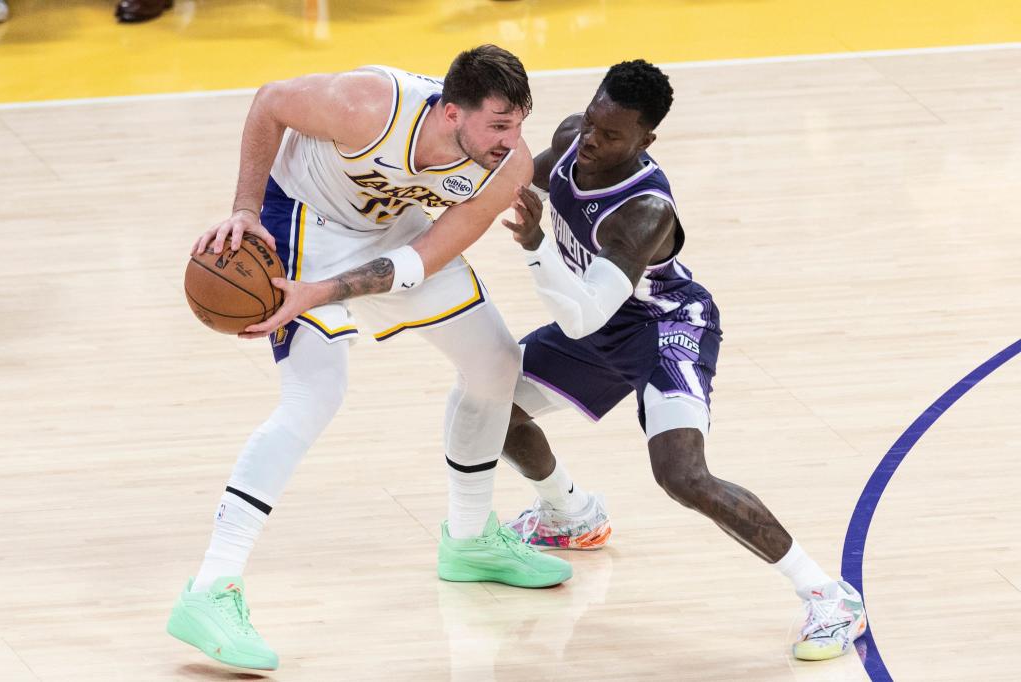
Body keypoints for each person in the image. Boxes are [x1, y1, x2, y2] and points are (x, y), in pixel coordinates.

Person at [167, 45, 572, 671]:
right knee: (315, 396)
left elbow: (422, 260)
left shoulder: (506, 166)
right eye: (497, 125)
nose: (511, 142)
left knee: (495, 362)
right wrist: (245, 211)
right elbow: (271, 101)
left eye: (518, 124)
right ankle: (209, 590)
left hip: (392, 232)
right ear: (448, 114)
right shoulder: (367, 107)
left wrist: (327, 292)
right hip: (302, 220)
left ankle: (468, 542)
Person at [499, 59, 867, 662]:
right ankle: (570, 514)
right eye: (593, 120)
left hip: (664, 328)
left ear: (647, 140)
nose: (593, 140)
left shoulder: (644, 211)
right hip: (597, 314)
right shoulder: (570, 139)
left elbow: (582, 318)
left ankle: (828, 593)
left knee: (682, 476)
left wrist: (538, 244)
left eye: (613, 136)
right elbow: (515, 190)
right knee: (492, 407)